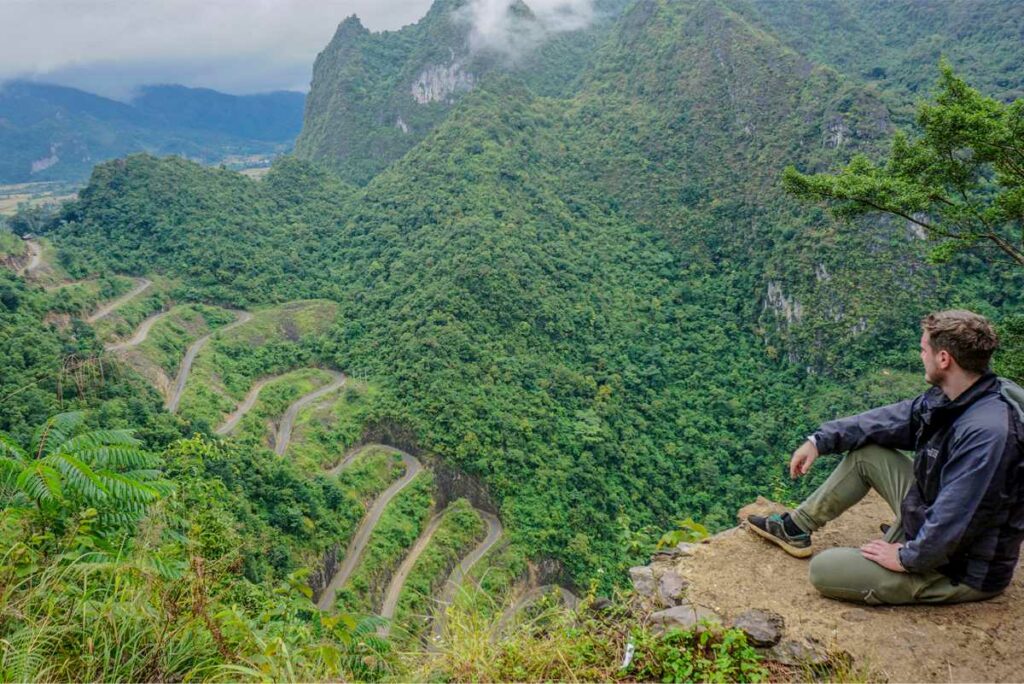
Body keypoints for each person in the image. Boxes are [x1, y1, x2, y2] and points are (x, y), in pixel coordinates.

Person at [747, 310, 1024, 605]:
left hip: (960, 567)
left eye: (923, 349)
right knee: (869, 453)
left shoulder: (988, 433)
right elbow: (889, 421)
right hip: (935, 513)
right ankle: (795, 527)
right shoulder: (955, 397)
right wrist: (819, 441)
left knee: (824, 570)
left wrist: (906, 557)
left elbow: (959, 518)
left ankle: (910, 552)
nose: (921, 356)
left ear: (944, 359)